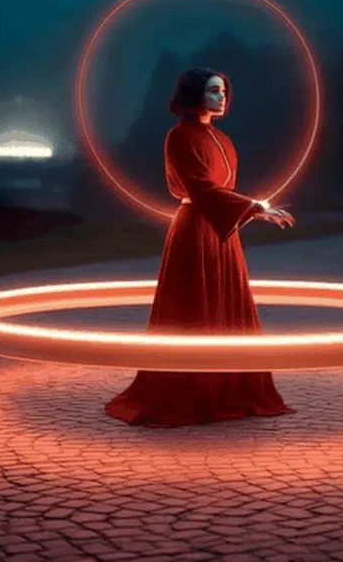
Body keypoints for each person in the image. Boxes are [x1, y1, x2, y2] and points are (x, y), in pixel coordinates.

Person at [105, 67, 297, 427]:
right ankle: (193, 390)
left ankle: (231, 387)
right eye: (213, 90)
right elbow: (200, 188)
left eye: (223, 90)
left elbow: (220, 191)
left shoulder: (223, 140)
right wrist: (257, 209)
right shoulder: (179, 137)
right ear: (194, 95)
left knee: (225, 300)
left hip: (223, 234)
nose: (221, 97)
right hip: (195, 232)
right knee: (194, 304)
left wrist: (253, 212)